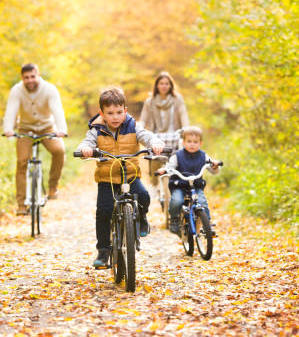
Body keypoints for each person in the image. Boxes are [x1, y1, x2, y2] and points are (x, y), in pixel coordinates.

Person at [77, 87, 165, 269]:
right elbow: (87, 142)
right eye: (110, 113)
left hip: (130, 175)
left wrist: (155, 143)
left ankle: (141, 218)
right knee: (104, 211)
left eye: (119, 112)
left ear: (125, 110)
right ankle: (103, 251)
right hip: (106, 178)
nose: (115, 117)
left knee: (143, 196)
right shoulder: (97, 129)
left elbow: (145, 136)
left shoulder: (133, 126)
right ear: (102, 114)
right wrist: (86, 149)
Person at [3, 63, 67, 215]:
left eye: (33, 76)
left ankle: (52, 187)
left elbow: (57, 110)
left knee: (59, 151)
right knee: (22, 161)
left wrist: (62, 129)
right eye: (26, 78)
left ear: (38, 75)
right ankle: (21, 204)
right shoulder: (17, 90)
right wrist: (8, 129)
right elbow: (11, 110)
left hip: (47, 127)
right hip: (25, 129)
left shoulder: (49, 89)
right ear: (22, 78)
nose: (30, 80)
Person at [157, 126, 220, 235]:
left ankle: (207, 224)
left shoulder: (203, 156)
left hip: (196, 186)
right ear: (183, 142)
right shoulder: (177, 156)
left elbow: (213, 170)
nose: (192, 144)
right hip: (179, 186)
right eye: (189, 141)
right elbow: (170, 167)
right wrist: (165, 170)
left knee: (202, 202)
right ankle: (174, 219)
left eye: (195, 142)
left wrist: (214, 166)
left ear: (200, 143)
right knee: (176, 201)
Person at [139, 72, 189, 206]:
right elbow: (143, 119)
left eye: (167, 83)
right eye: (161, 83)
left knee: (178, 161)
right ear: (157, 85)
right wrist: (138, 129)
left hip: (174, 135)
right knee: (155, 157)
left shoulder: (177, 99)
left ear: (170, 85)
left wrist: (186, 130)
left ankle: (178, 186)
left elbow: (183, 116)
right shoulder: (150, 101)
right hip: (157, 136)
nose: (164, 86)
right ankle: (156, 186)